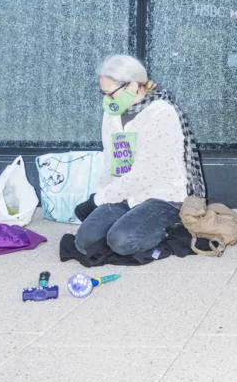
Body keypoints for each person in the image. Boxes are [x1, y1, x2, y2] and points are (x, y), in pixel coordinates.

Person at [73, 54, 205, 258]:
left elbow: (145, 174)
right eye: (104, 93)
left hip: (162, 196)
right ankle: (125, 223)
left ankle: (172, 229)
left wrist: (99, 200)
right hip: (124, 193)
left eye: (111, 93)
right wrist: (99, 195)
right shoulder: (112, 113)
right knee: (85, 242)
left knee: (122, 240)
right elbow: (111, 161)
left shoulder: (161, 114)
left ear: (133, 86)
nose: (107, 99)